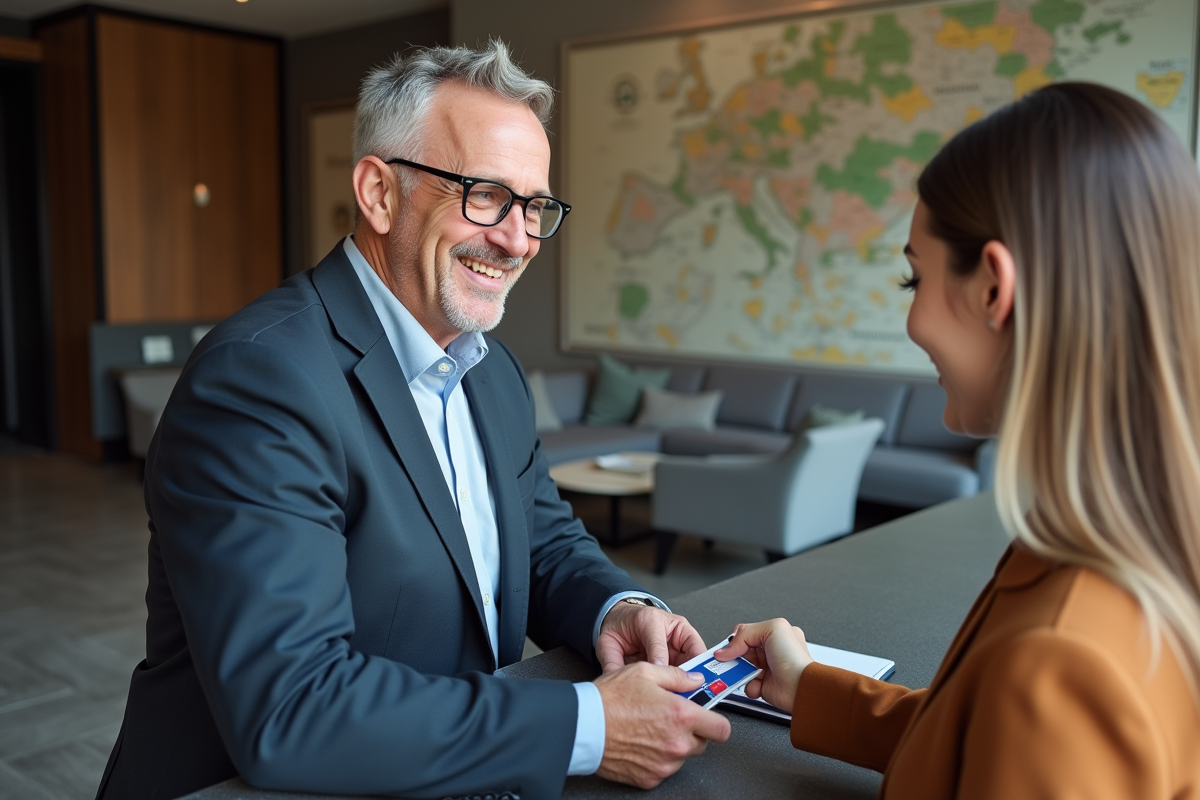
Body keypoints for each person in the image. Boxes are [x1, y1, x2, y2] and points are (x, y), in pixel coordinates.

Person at [96, 42, 730, 800]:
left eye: (534, 207)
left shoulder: (488, 367)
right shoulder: (258, 380)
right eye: (487, 195)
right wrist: (588, 726)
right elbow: (292, 711)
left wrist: (616, 606)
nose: (519, 239)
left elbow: (543, 539)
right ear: (379, 192)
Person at [716, 82, 1200, 798]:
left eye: (915, 277)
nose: (913, 322)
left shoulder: (1064, 660)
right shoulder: (1120, 537)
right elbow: (975, 737)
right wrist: (808, 687)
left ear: (993, 290)